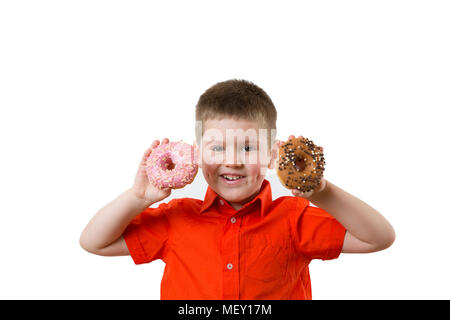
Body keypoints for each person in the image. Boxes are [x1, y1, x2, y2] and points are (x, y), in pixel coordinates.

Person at [79, 79, 395, 299]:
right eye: (217, 148)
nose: (233, 161)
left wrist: (320, 191)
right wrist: (138, 198)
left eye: (248, 148)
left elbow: (378, 238)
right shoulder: (176, 218)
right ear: (197, 154)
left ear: (273, 156)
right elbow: (95, 243)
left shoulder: (293, 218)